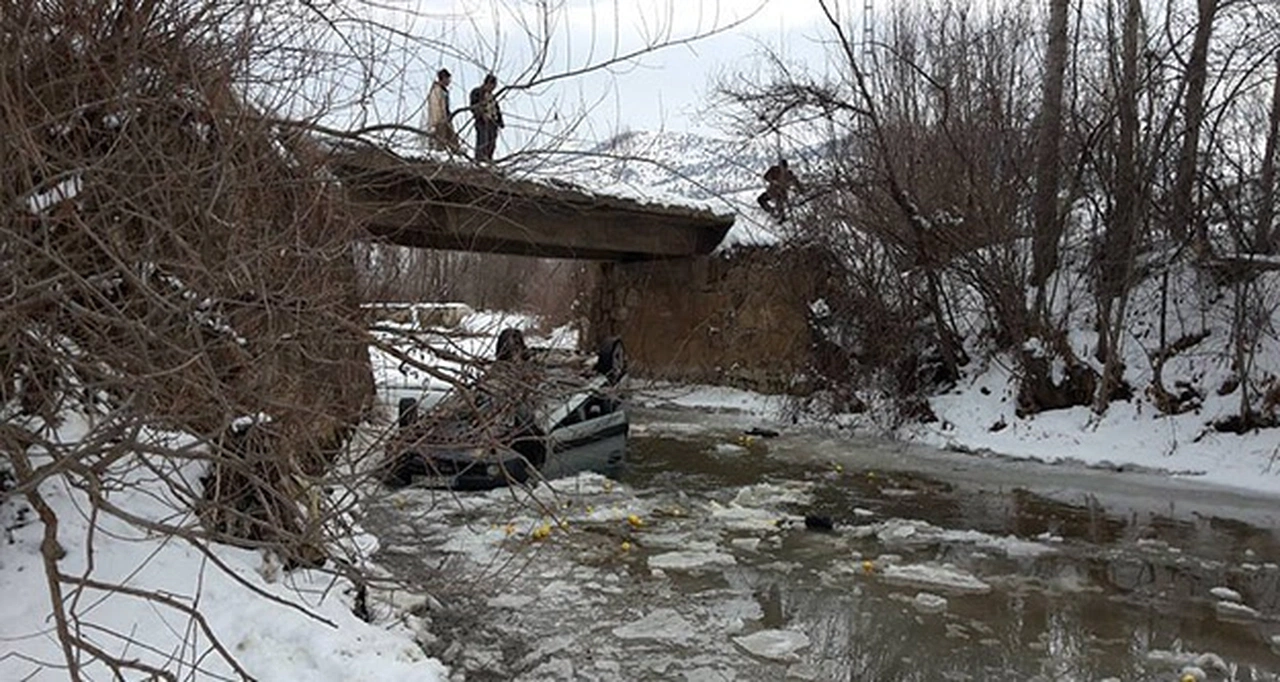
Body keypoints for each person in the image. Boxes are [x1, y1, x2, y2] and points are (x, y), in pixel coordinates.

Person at [470, 73, 504, 163]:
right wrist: (481, 114)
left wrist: (500, 122)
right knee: (482, 140)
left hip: (493, 122)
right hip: (482, 122)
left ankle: (488, 159)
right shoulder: (477, 92)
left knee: (492, 142)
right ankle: (480, 159)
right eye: (493, 85)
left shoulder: (492, 96)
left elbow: (497, 109)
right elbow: (473, 106)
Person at [425, 68, 460, 154]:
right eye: (448, 79)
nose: (449, 81)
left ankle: (456, 154)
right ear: (443, 78)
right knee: (440, 141)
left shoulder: (443, 91)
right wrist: (437, 121)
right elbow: (435, 108)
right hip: (440, 121)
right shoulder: (436, 91)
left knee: (453, 139)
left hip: (446, 119)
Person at [757, 158, 804, 222]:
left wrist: (800, 191)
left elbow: (796, 183)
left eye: (785, 167)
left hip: (781, 193)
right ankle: (771, 211)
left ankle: (782, 216)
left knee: (779, 201)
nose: (783, 169)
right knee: (761, 199)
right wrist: (773, 181)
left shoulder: (789, 174)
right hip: (772, 191)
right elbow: (766, 177)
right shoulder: (774, 170)